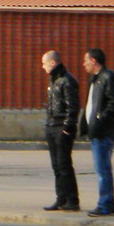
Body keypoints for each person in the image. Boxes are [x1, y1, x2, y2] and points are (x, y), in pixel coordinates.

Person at [78, 48, 114, 216]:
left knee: (102, 169)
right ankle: (108, 203)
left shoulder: (107, 77)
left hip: (103, 131)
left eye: (86, 60)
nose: (84, 64)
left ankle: (105, 204)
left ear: (94, 61)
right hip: (96, 131)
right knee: (101, 168)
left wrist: (100, 120)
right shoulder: (95, 79)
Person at [41, 51, 79, 211]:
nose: (42, 67)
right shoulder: (53, 79)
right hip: (51, 125)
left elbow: (73, 107)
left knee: (64, 165)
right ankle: (61, 198)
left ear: (53, 63)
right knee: (56, 165)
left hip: (61, 126)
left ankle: (72, 200)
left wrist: (67, 127)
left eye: (44, 63)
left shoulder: (67, 80)